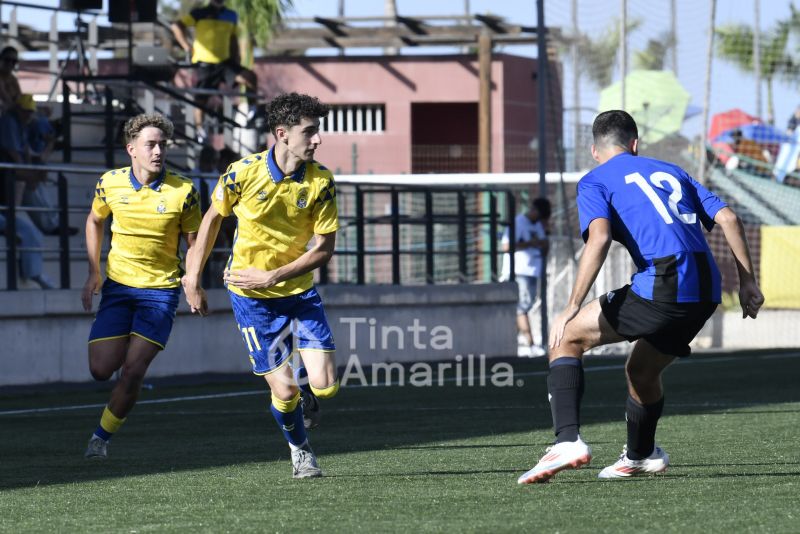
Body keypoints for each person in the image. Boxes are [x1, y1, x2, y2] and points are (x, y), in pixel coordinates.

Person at [517, 110, 764, 484]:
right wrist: (748, 282)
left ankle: (567, 441)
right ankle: (641, 454)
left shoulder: (595, 180)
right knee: (642, 371)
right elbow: (729, 219)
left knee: (566, 338)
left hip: (664, 280)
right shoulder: (671, 170)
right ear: (635, 144)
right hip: (706, 288)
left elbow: (598, 239)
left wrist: (569, 307)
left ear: (594, 150)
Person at [182, 93, 339, 479]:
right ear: (282, 134)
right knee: (285, 393)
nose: (317, 140)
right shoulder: (241, 173)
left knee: (326, 386)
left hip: (299, 293)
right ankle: (300, 450)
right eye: (310, 132)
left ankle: (307, 396)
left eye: (317, 132)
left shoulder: (321, 181)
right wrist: (193, 277)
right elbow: (211, 221)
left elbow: (324, 250)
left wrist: (273, 275)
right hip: (251, 300)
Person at [82, 113, 201, 459]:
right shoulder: (110, 183)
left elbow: (194, 242)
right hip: (119, 289)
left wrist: (192, 281)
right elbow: (94, 221)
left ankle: (99, 439)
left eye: (163, 144)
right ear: (131, 148)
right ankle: (122, 359)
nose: (158, 151)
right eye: (151, 144)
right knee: (101, 369)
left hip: (160, 293)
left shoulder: (184, 191)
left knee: (133, 371)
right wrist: (93, 272)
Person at [170, 0, 258, 143]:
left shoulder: (231, 15)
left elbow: (233, 39)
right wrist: (187, 47)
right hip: (205, 63)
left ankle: (252, 111)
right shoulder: (199, 13)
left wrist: (236, 59)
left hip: (225, 63)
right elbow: (176, 26)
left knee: (250, 77)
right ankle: (200, 131)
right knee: (201, 100)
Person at [0, 94, 54, 289]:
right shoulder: (9, 123)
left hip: (5, 209)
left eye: (29, 112)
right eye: (25, 111)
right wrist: (28, 174)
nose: (27, 116)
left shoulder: (21, 127)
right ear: (18, 110)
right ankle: (34, 273)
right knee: (25, 230)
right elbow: (16, 158)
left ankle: (35, 273)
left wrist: (31, 173)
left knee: (31, 233)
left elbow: (25, 157)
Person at [500, 197, 551, 357]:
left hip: (533, 271)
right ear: (535, 210)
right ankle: (530, 344)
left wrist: (543, 244)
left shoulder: (537, 225)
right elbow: (506, 246)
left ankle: (509, 343)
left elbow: (544, 246)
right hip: (519, 271)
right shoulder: (519, 222)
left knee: (526, 305)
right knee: (521, 307)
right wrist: (531, 243)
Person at [0, 46, 21, 114]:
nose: (10, 63)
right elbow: (5, 98)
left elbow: (20, 99)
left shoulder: (13, 79)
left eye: (14, 61)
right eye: (7, 60)